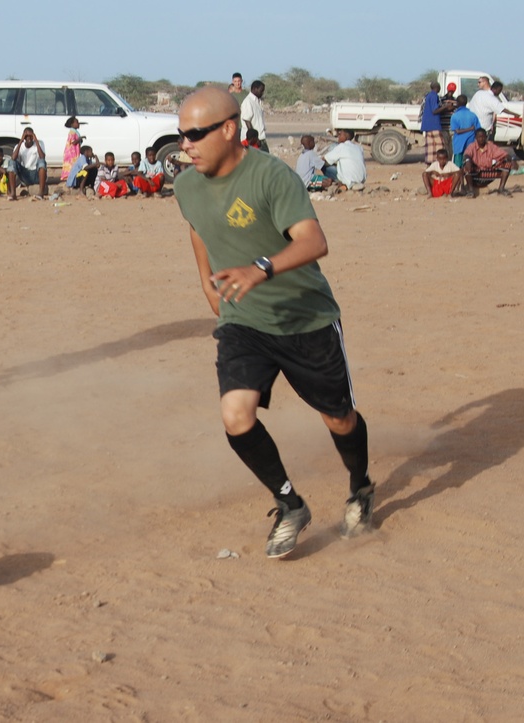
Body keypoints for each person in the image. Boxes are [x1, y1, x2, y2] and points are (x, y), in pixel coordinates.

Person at [173, 86, 374, 559]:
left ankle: (360, 488)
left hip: (306, 319)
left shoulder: (272, 177)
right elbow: (197, 226)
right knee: (235, 415)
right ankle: (290, 505)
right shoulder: (186, 185)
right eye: (181, 135)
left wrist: (259, 268)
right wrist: (206, 281)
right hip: (244, 320)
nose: (186, 145)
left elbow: (313, 241)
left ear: (229, 129)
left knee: (339, 419)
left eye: (195, 134)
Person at [463, 128, 516, 198]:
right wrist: (467, 161)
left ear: (486, 137)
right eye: (479, 137)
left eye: (483, 137)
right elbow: (467, 155)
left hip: (489, 172)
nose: (481, 139)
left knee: (507, 164)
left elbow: (503, 154)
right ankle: (471, 191)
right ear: (476, 138)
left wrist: (512, 160)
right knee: (466, 167)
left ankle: (501, 188)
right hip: (476, 173)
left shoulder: (491, 146)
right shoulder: (472, 146)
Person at [7, 127, 48, 200]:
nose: (29, 138)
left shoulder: (40, 143)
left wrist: (36, 141)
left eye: (30, 136)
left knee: (41, 162)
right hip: (25, 174)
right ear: (24, 137)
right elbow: (13, 158)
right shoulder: (19, 146)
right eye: (26, 136)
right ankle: (13, 194)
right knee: (11, 162)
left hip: (36, 173)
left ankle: (41, 193)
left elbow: (42, 157)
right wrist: (21, 141)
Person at [449, 95, 479, 171]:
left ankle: (461, 182)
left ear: (457, 103)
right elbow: (478, 129)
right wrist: (471, 129)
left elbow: (457, 131)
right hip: (470, 144)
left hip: (459, 145)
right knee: (469, 165)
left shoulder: (455, 116)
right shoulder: (473, 115)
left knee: (458, 167)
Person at [420, 82, 447, 166]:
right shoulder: (434, 96)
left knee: (430, 147)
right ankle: (440, 164)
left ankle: (430, 165)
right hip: (434, 124)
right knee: (439, 145)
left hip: (427, 125)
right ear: (438, 87)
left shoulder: (427, 96)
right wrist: (445, 107)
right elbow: (434, 111)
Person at [240, 80, 268, 152]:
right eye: (261, 91)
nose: (262, 93)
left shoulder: (258, 102)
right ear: (255, 89)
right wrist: (254, 138)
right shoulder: (248, 102)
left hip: (260, 137)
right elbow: (247, 120)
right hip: (253, 140)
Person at [61, 116, 84, 181]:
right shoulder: (72, 132)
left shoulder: (75, 131)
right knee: (71, 164)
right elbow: (73, 142)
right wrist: (80, 138)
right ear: (72, 124)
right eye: (76, 122)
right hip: (71, 153)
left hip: (75, 152)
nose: (78, 124)